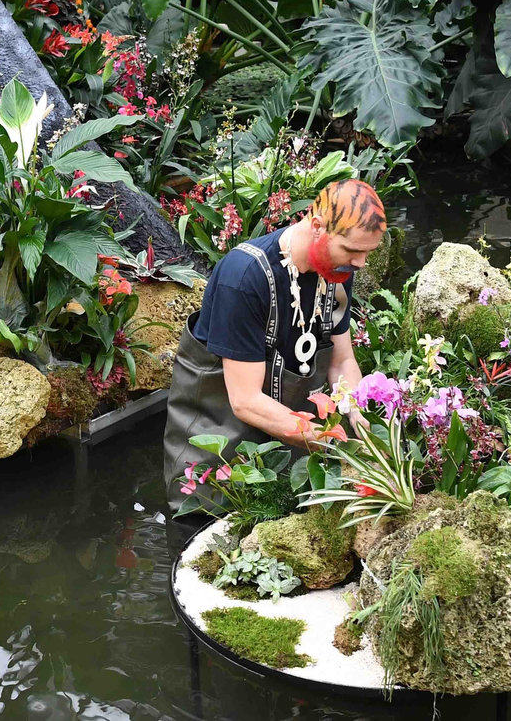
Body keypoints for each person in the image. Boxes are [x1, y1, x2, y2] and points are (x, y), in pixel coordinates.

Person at [163, 178, 388, 513]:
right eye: (354, 251)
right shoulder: (243, 277)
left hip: (286, 453)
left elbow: (342, 362)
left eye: (367, 252)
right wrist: (332, 441)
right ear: (316, 227)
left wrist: (358, 416)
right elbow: (245, 401)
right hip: (219, 461)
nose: (360, 264)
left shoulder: (336, 270)